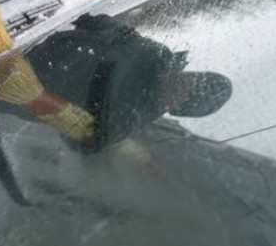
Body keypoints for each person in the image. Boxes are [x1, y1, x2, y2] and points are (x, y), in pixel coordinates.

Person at [21, 13, 233, 148]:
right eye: (197, 78)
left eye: (191, 92)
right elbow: (121, 33)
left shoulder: (125, 120)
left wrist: (26, 90)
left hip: (13, 76)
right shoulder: (159, 56)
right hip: (32, 28)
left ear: (178, 108)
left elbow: (81, 138)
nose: (188, 81)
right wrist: (81, 15)